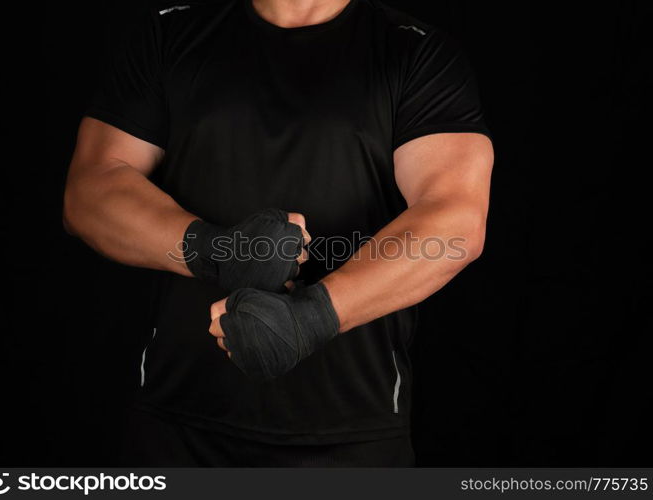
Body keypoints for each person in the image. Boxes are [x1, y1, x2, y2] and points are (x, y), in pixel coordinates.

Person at [63, 0, 494, 466]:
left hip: (351, 433)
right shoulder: (170, 32)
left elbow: (454, 220)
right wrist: (219, 252)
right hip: (176, 425)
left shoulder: (415, 51)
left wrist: (311, 319)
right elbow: (90, 191)